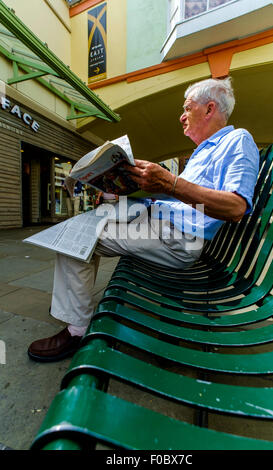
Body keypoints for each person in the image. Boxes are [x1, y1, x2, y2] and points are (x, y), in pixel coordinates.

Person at [28, 77, 260, 362]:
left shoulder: (237, 140)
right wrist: (130, 186)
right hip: (158, 222)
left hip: (176, 238)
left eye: (187, 108)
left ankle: (76, 330)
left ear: (210, 109)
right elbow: (187, 198)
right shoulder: (202, 152)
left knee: (75, 237)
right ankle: (74, 314)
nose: (181, 116)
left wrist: (170, 183)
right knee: (89, 219)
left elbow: (236, 207)